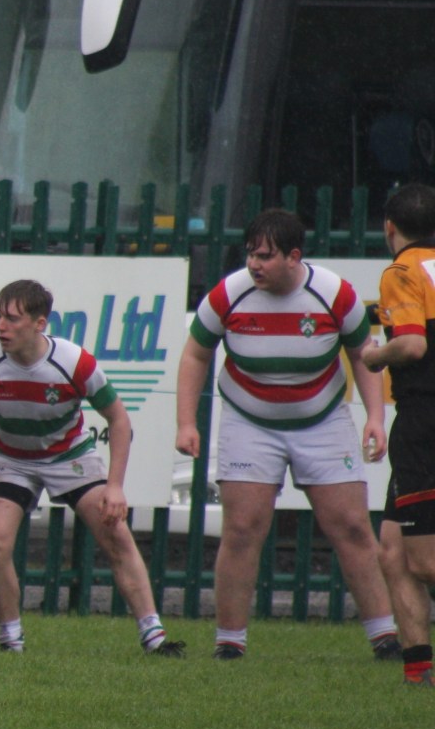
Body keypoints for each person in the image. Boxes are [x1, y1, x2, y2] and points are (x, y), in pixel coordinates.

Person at [176, 208, 400, 661]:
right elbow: (196, 354)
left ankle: (385, 638)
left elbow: (364, 354)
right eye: (250, 254)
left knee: (352, 526)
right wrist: (186, 422)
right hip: (249, 421)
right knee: (242, 528)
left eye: (265, 256)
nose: (254, 264)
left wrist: (375, 417)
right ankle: (229, 643)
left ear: (294, 257)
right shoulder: (229, 294)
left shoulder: (334, 293)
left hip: (323, 419)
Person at [0, 279, 184, 656]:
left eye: (12, 319)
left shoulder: (74, 362)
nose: (1, 327)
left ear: (39, 324)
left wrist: (115, 487)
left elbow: (119, 420)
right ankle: (11, 641)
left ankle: (155, 637)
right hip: (10, 458)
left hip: (69, 456)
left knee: (115, 534)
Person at [363, 183, 435, 686]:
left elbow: (410, 345)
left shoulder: (402, 271)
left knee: (425, 560)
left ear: (390, 227)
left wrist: (373, 356)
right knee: (392, 551)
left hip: (424, 420)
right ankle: (418, 671)